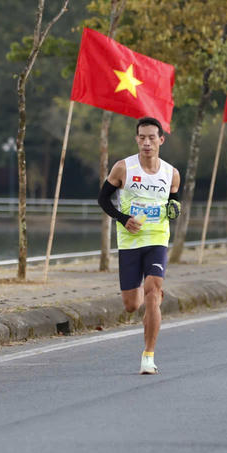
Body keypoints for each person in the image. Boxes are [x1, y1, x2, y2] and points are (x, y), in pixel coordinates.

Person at [97, 117, 181, 374]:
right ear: (137, 139)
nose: (146, 143)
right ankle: (150, 297)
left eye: (152, 138)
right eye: (142, 138)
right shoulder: (123, 168)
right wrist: (123, 219)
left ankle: (148, 356)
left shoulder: (171, 173)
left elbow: (175, 203)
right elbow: (103, 199)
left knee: (152, 292)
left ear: (161, 140)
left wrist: (175, 209)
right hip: (130, 241)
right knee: (132, 305)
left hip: (157, 239)